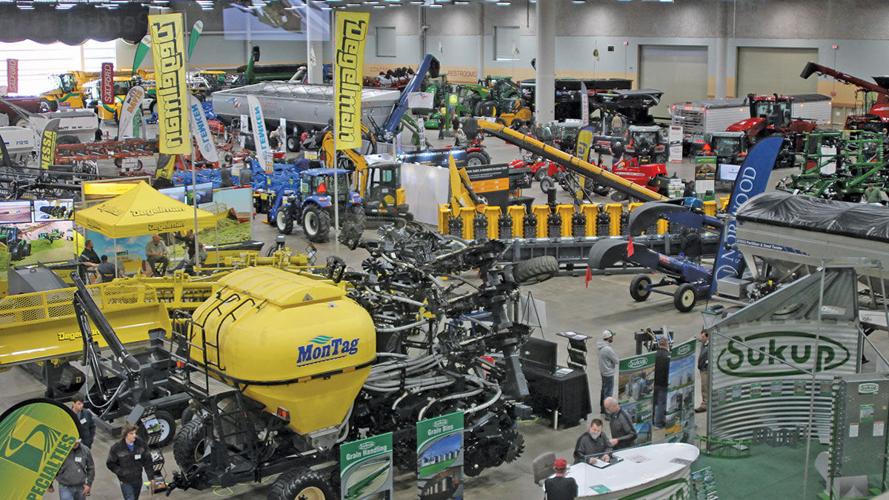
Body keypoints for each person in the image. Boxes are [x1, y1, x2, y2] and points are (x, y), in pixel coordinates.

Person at [107, 424, 154, 500]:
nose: (134, 435)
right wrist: (121, 472)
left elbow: (148, 460)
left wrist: (151, 477)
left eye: (135, 433)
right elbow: (110, 463)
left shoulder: (141, 444)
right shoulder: (117, 448)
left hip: (138, 480)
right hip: (125, 481)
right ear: (125, 435)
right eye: (131, 433)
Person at [597, 330, 619, 415]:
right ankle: (607, 412)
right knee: (608, 393)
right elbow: (616, 360)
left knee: (604, 390)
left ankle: (603, 408)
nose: (613, 337)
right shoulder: (608, 349)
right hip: (608, 373)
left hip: (603, 372)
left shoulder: (600, 346)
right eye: (612, 336)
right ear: (609, 338)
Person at [653, 337, 671, 428]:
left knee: (653, 403)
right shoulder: (668, 356)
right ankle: (659, 423)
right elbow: (669, 370)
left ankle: (653, 421)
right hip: (663, 384)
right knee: (661, 404)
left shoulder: (654, 355)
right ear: (666, 344)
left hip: (654, 383)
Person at [696, 330, 710, 413]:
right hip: (701, 369)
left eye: (703, 336)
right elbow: (698, 340)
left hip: (706, 370)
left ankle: (705, 404)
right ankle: (705, 403)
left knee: (705, 387)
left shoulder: (710, 345)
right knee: (703, 387)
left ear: (708, 337)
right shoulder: (703, 344)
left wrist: (706, 364)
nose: (701, 338)